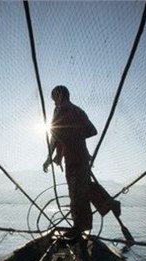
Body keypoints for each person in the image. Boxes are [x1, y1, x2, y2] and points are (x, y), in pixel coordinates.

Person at [42, 85, 121, 239]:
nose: (54, 103)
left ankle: (79, 228)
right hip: (80, 157)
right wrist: (71, 144)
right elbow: (90, 130)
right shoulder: (79, 111)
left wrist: (49, 157)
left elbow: (54, 134)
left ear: (59, 96)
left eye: (54, 99)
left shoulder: (60, 109)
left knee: (76, 194)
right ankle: (109, 204)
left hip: (74, 158)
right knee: (83, 189)